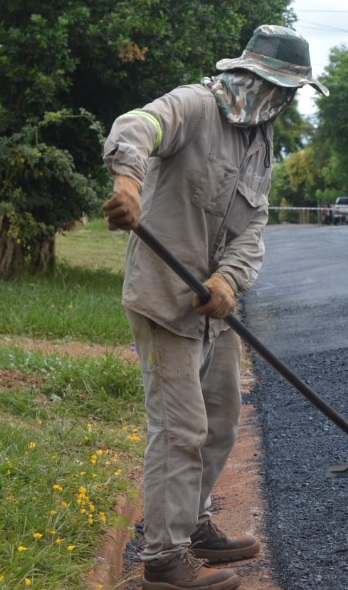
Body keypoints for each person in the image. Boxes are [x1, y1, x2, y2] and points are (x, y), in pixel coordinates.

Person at [100, 25, 327, 590]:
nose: (289, 100)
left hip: (213, 306)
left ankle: (193, 522)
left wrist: (229, 279)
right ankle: (163, 561)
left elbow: (253, 225)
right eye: (286, 88)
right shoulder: (195, 107)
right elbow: (138, 125)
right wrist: (128, 180)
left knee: (221, 417)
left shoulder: (261, 139)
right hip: (162, 296)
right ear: (256, 80)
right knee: (180, 427)